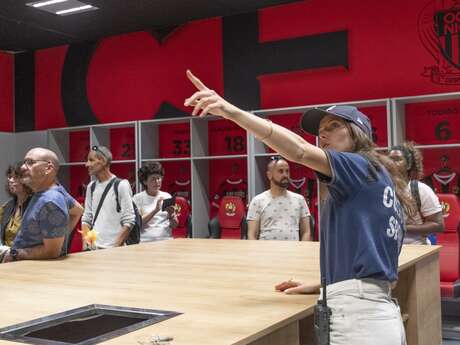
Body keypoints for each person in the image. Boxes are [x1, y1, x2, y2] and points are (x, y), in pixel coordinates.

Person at [184, 70, 413, 344]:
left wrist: (230, 111)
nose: (323, 135)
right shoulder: (376, 178)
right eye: (320, 131)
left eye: (333, 127)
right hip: (373, 311)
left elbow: (300, 151)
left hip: (359, 319)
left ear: (357, 134)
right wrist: (324, 284)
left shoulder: (358, 165)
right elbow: (375, 265)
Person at [2, 148, 72, 262]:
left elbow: (52, 251)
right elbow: (77, 210)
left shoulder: (51, 201)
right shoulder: (42, 194)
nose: (23, 167)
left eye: (30, 162)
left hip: (33, 272)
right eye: (24, 163)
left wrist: (16, 254)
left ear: (48, 168)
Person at [389, 142, 444, 244]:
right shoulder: (381, 189)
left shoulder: (421, 189)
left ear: (409, 165)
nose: (392, 163)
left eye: (397, 159)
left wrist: (403, 227)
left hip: (416, 248)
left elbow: (438, 225)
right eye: (390, 159)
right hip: (388, 251)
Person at [81, 146, 135, 249]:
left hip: (116, 251)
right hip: (94, 250)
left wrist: (115, 247)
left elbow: (129, 221)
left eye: (91, 160)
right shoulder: (91, 187)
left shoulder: (121, 185)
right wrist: (87, 243)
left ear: (103, 161)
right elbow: (86, 218)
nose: (86, 164)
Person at [247, 157, 311, 241]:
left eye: (287, 171)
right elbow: (252, 234)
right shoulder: (257, 201)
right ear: (269, 175)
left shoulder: (299, 200)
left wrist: (302, 251)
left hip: (294, 252)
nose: (285, 175)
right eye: (280, 171)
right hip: (266, 252)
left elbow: (306, 232)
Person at [133, 162, 178, 242]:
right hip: (145, 241)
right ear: (145, 182)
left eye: (159, 178)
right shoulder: (137, 198)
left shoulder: (167, 196)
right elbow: (137, 224)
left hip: (166, 240)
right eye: (153, 179)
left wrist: (171, 215)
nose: (157, 181)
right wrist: (155, 210)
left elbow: (174, 225)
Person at [0, 163, 33, 248]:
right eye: (10, 177)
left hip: (27, 255)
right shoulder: (7, 206)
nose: (10, 180)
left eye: (15, 177)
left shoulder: (36, 204)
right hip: (6, 256)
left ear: (26, 180)